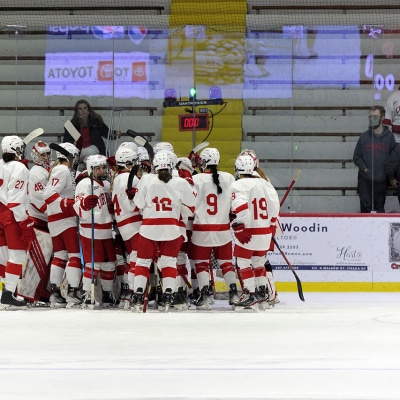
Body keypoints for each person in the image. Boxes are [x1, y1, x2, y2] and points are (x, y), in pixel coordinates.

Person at [132, 151, 196, 312]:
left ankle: (138, 294)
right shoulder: (180, 182)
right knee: (168, 262)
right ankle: (168, 296)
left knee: (142, 262)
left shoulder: (147, 179)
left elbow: (138, 204)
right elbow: (192, 203)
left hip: (149, 228)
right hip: (172, 229)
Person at [190, 147, 239, 310]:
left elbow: (190, 204)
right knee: (226, 263)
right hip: (222, 229)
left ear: (203, 162)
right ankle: (233, 293)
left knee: (202, 264)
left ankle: (204, 295)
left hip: (201, 230)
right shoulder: (229, 178)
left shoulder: (196, 179)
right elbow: (234, 203)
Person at [230, 154, 280, 311]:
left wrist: (239, 225)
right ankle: (262, 294)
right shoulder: (266, 184)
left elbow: (241, 209)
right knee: (259, 263)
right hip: (265, 232)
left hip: (249, 232)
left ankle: (249, 294)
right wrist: (271, 225)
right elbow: (275, 207)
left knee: (243, 262)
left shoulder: (238, 185)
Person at [74, 154, 117, 309]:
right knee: (93, 264)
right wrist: (85, 204)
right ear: (90, 169)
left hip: (106, 229)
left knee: (109, 264)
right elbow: (77, 205)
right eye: (97, 168)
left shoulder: (106, 184)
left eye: (102, 167)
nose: (101, 170)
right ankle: (87, 293)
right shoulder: (85, 183)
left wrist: (112, 211)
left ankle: (107, 293)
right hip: (90, 230)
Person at [43, 142, 82, 308]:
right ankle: (73, 293)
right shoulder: (63, 170)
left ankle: (55, 293)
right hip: (64, 219)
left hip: (55, 219)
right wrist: (70, 204)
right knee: (74, 256)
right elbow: (49, 194)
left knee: (60, 256)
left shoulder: (60, 169)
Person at [0, 135, 33, 309]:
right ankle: (8, 294)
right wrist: (24, 221)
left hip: (0, 212)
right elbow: (15, 200)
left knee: (3, 255)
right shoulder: (19, 167)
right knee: (16, 255)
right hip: (11, 215)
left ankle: (2, 292)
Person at [111, 143, 142, 309]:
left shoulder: (117, 178)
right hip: (134, 222)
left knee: (131, 259)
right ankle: (133, 293)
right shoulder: (131, 179)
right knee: (138, 260)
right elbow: (134, 205)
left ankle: (128, 294)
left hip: (123, 224)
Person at [353, 105, 396, 213]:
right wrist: (366, 170)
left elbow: (393, 159)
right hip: (365, 179)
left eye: (375, 116)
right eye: (370, 116)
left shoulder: (390, 137)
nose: (372, 119)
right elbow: (356, 157)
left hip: (381, 179)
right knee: (365, 210)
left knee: (380, 210)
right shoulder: (364, 137)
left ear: (382, 118)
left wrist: (390, 176)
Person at [63, 99, 121, 171]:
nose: (83, 111)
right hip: (79, 151)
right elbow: (66, 141)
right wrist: (72, 144)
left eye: (85, 108)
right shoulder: (72, 125)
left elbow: (106, 132)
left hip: (93, 149)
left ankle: (86, 164)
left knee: (91, 151)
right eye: (80, 109)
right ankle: (86, 163)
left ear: (88, 109)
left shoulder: (95, 121)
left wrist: (115, 133)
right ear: (77, 111)